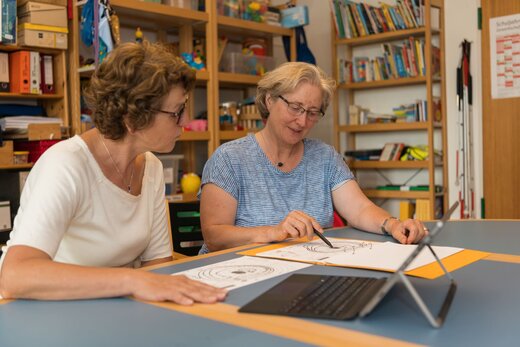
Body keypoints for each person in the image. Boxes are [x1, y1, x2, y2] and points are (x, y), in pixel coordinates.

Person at [0, 42, 227, 304]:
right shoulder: (65, 165)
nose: (186, 120)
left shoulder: (150, 166)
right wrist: (131, 280)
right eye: (176, 112)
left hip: (113, 310)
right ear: (132, 119)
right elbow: (16, 275)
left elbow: (158, 266)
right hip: (48, 314)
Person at [199, 62, 428, 253]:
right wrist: (274, 232)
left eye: (312, 113)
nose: (302, 122)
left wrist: (393, 224)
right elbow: (214, 235)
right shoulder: (229, 159)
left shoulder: (324, 156)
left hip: (306, 270)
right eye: (295, 107)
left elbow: (359, 209)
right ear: (270, 100)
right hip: (240, 274)